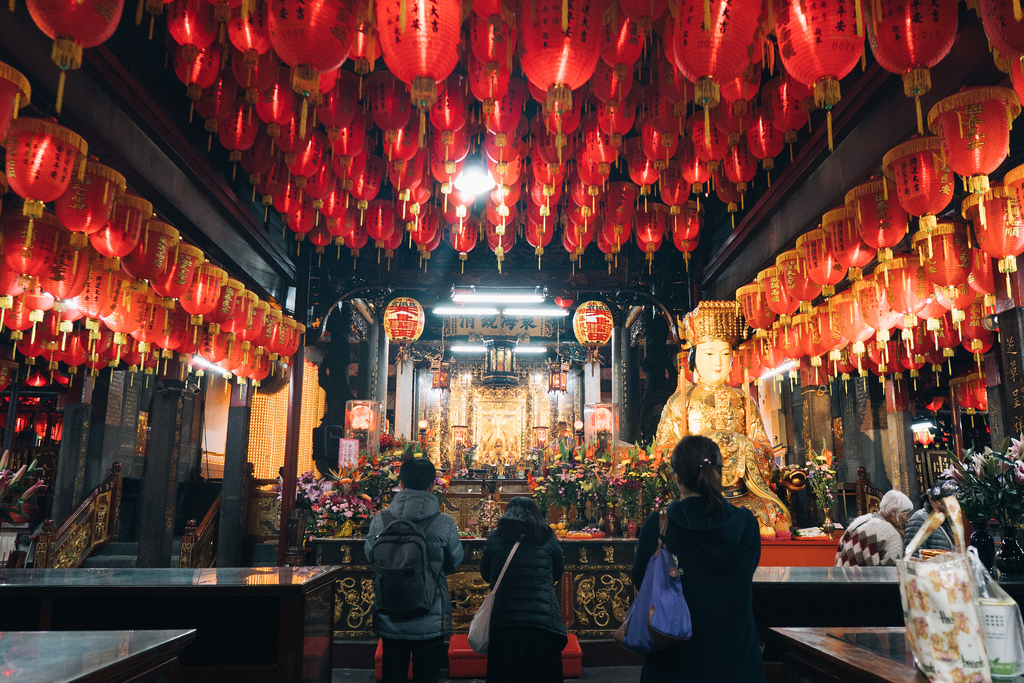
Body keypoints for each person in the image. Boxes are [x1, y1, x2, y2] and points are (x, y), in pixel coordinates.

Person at [632, 434, 765, 683]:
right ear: (720, 472)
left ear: (676, 476)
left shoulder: (659, 525)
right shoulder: (746, 524)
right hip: (737, 660)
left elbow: (641, 580)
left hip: (675, 660)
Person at [654, 300, 791, 538]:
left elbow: (765, 450)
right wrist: (699, 450)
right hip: (695, 494)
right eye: (709, 354)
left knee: (773, 513)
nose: (718, 362)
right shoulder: (679, 401)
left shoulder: (743, 400)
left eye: (725, 354)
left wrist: (740, 444)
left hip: (741, 494)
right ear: (694, 357)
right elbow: (663, 452)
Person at [364, 457, 464, 683]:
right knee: (427, 675)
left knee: (393, 674)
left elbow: (371, 555)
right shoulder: (444, 521)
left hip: (391, 611)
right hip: (430, 611)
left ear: (401, 483)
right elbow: (454, 561)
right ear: (432, 484)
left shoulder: (381, 519)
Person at [478, 496, 567, 683]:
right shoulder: (547, 534)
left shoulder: (495, 535)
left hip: (504, 621)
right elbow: (557, 572)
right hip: (542, 621)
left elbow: (486, 574)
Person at [835, 490, 914, 567]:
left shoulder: (858, 523)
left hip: (844, 577)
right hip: (865, 579)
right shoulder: (891, 535)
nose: (907, 520)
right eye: (906, 515)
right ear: (893, 512)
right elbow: (892, 573)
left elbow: (839, 553)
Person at [904, 484, 955, 557]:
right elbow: (913, 555)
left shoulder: (945, 520)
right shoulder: (920, 518)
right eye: (943, 505)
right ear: (931, 499)